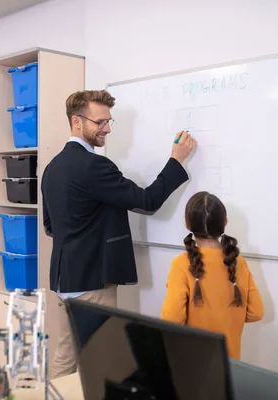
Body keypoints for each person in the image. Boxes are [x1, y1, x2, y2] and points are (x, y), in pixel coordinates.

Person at [41, 89, 196, 378]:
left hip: (64, 281)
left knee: (65, 359)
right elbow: (148, 201)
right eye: (100, 122)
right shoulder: (94, 166)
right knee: (102, 366)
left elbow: (50, 226)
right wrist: (177, 160)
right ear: (77, 122)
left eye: (109, 121)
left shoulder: (52, 168)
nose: (107, 129)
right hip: (91, 285)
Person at [160, 191, 264, 360]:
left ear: (187, 225)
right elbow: (256, 312)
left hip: (191, 362)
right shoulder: (238, 262)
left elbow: (171, 320)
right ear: (225, 222)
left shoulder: (181, 264)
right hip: (230, 364)